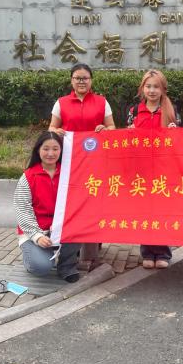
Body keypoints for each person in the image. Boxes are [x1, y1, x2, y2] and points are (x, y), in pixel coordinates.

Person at [48, 63, 115, 265]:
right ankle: (72, 243)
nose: (81, 81)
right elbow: (51, 127)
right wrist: (57, 132)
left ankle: (94, 241)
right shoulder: (61, 103)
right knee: (73, 201)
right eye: (77, 78)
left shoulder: (102, 102)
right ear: (71, 80)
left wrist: (105, 129)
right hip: (70, 162)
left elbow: (112, 127)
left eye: (85, 78)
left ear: (91, 80)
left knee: (94, 200)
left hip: (96, 162)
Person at [127, 69, 181, 269]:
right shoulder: (134, 110)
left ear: (163, 89)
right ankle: (147, 252)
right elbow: (126, 141)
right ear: (142, 88)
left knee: (162, 211)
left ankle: (163, 253)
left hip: (164, 169)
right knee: (144, 211)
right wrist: (129, 133)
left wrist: (176, 133)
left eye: (156, 87)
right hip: (141, 169)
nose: (152, 90)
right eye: (148, 86)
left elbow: (181, 142)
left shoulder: (171, 111)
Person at [13, 131, 81, 283]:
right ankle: (31, 257)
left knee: (78, 227)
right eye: (46, 148)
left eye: (55, 149)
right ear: (38, 150)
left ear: (61, 151)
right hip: (36, 231)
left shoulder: (69, 173)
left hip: (62, 228)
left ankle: (67, 266)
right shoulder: (28, 177)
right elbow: (22, 210)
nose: (51, 153)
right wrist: (37, 236)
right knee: (41, 267)